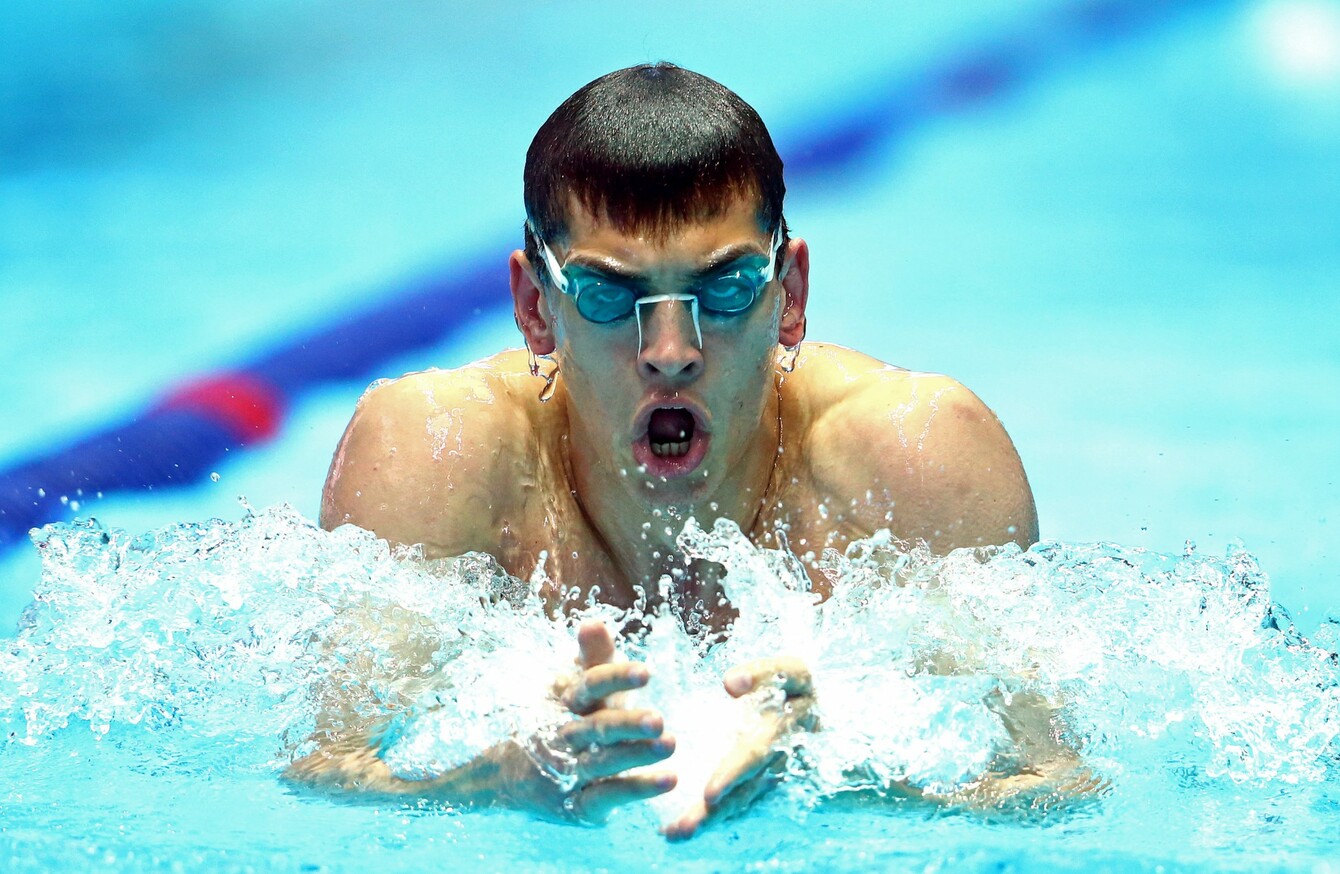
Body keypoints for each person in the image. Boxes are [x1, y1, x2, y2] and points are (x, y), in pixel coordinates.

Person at [288, 62, 1059, 839]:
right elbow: (325, 775)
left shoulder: (917, 456)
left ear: (788, 294)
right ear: (535, 307)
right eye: (608, 294)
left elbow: (1059, 790)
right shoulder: (438, 452)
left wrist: (844, 777)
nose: (670, 351)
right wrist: (496, 784)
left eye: (725, 289)